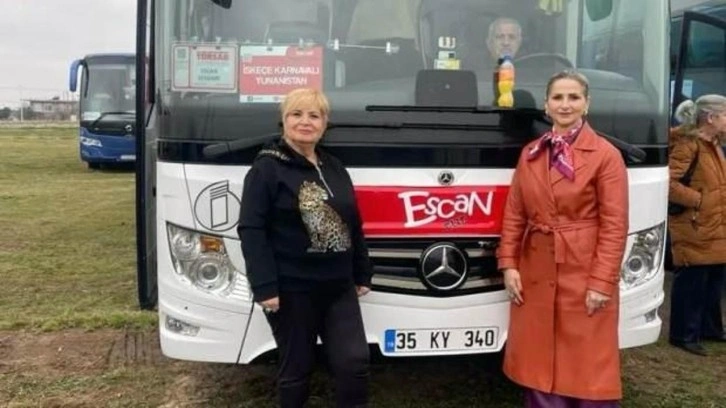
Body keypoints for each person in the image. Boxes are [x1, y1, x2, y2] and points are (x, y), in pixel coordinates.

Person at [497, 70, 628, 407]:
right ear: (546, 105)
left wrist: (602, 282)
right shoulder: (531, 153)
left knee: (587, 364)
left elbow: (614, 225)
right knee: (538, 360)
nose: (565, 105)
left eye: (574, 97)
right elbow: (515, 214)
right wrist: (509, 264)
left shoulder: (606, 155)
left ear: (587, 104)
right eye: (558, 97)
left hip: (583, 272)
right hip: (535, 271)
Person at [237, 87, 372, 408]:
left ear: (324, 123)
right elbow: (251, 230)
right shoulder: (266, 169)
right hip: (292, 289)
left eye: (314, 115)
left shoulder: (334, 167)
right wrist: (264, 286)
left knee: (354, 362)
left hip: (338, 287)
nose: (305, 122)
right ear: (283, 121)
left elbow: (352, 223)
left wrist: (362, 272)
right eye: (296, 114)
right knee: (296, 368)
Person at [667, 94, 726, 357]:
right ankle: (683, 334)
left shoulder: (713, 144)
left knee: (713, 278)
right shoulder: (689, 144)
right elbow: (669, 183)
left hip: (712, 224)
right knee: (692, 281)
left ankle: (709, 328)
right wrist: (698, 200)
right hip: (694, 224)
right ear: (711, 117)